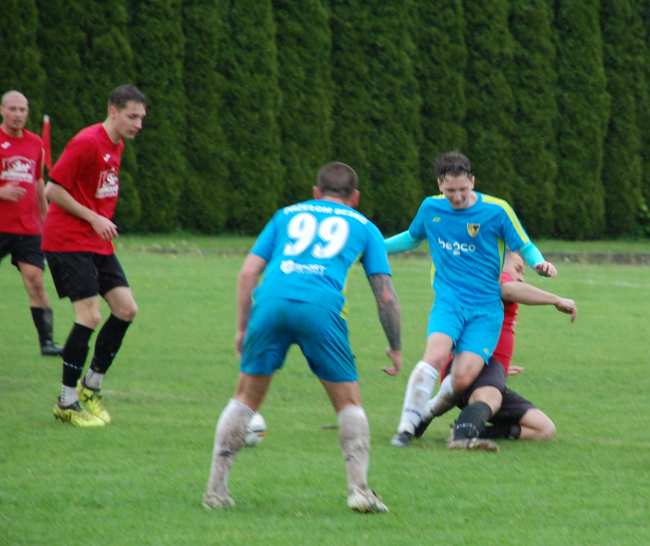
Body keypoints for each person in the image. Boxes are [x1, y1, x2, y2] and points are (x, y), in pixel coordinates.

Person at [202, 162, 402, 514]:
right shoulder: (365, 227)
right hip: (320, 307)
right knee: (348, 403)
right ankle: (358, 490)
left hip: (272, 301)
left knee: (246, 396)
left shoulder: (285, 215)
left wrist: (242, 327)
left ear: (316, 192)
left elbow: (248, 272)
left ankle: (216, 491)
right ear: (354, 197)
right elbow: (385, 295)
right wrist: (396, 346)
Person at [384, 151, 556, 449]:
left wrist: (540, 263)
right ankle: (405, 429)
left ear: (472, 181)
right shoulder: (431, 208)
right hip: (449, 301)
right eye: (451, 190)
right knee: (435, 355)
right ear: (440, 185)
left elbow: (523, 244)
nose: (458, 196)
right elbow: (412, 238)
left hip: (486, 310)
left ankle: (425, 413)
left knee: (463, 378)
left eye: (463, 189)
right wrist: (376, 248)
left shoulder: (496, 210)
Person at [41, 84, 147, 427]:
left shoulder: (116, 146)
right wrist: (93, 216)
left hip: (96, 241)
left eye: (141, 118)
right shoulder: (87, 142)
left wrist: (98, 220)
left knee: (126, 309)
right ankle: (66, 402)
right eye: (132, 116)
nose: (138, 124)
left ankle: (91, 386)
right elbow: (52, 189)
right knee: (89, 315)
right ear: (112, 111)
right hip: (69, 240)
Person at [416, 252, 576, 447]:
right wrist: (556, 300)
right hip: (475, 365)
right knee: (489, 396)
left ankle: (467, 429)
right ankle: (461, 438)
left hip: (490, 370)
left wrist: (500, 370)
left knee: (544, 428)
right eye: (518, 269)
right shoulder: (495, 278)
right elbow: (508, 289)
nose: (521, 277)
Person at [0, 90, 62, 355]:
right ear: (1, 110)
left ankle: (47, 343)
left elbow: (38, 182)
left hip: (27, 228)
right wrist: (0, 191)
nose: (18, 114)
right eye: (13, 109)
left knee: (35, 280)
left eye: (22, 109)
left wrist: (46, 218)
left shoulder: (35, 144)